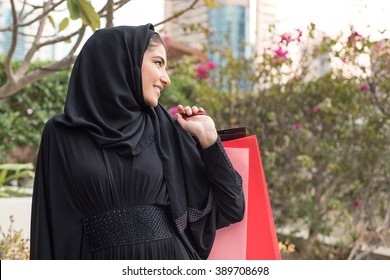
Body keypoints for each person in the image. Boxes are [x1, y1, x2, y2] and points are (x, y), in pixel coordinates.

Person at [30, 23, 244, 260]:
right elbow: (50, 227)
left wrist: (208, 139)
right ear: (121, 61)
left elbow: (232, 206)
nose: (166, 79)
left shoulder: (166, 130)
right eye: (158, 63)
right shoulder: (61, 134)